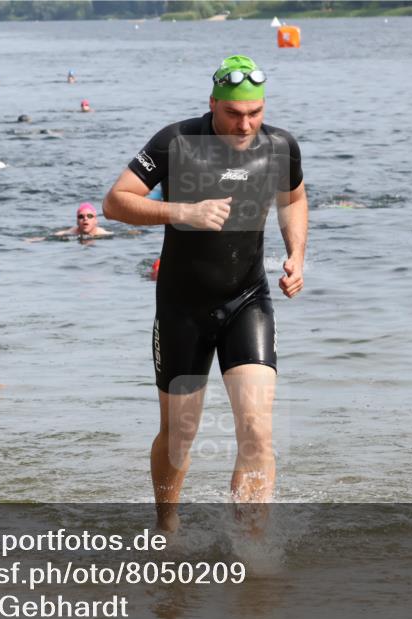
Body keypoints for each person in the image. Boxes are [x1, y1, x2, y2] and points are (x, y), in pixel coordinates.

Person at [102, 55, 308, 531]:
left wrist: (295, 252)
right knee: (180, 435)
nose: (245, 123)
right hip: (182, 308)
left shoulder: (280, 147)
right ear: (213, 103)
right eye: (235, 113)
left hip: (248, 299)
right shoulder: (176, 143)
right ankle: (167, 527)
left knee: (257, 429)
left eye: (255, 112)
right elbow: (116, 202)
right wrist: (183, 212)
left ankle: (250, 546)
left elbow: (294, 198)